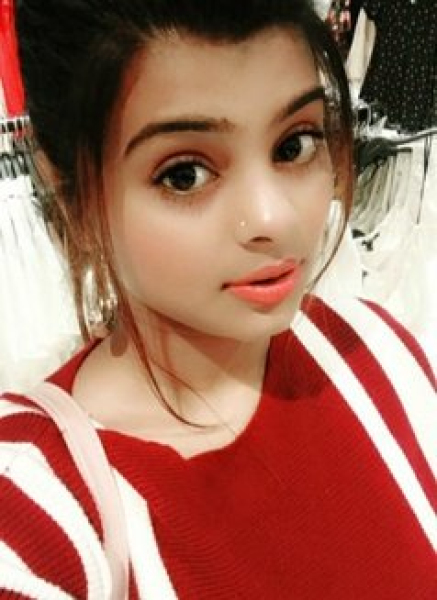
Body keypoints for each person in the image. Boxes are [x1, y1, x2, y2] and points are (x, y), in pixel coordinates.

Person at [1, 1, 436, 598]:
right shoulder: (35, 512)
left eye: (294, 145)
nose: (273, 218)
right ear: (66, 186)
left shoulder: (377, 352)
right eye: (184, 174)